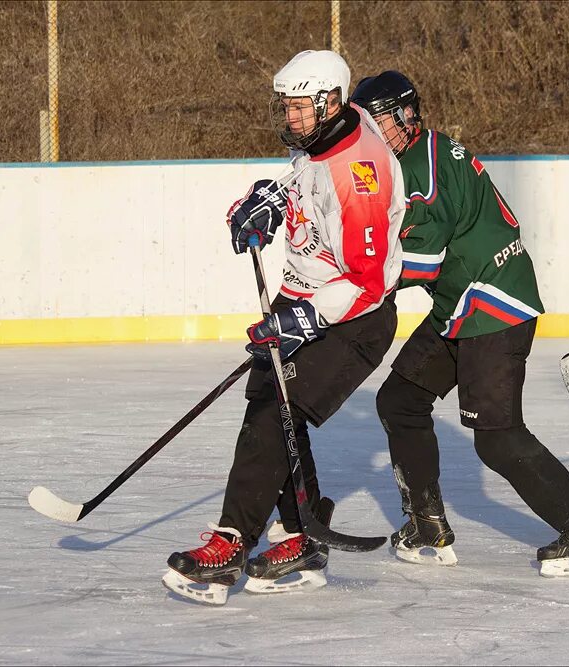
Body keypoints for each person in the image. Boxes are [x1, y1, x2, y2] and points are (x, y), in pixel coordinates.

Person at [351, 71, 569, 578]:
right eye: (364, 122)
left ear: (408, 117)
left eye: (379, 120)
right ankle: (427, 525)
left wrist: (355, 284)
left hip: (490, 303)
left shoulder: (419, 165)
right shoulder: (417, 155)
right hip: (461, 303)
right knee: (401, 400)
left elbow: (423, 261)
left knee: (494, 436)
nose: (372, 130)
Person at [162, 50, 405, 605]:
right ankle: (301, 536)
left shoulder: (360, 175)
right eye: (288, 106)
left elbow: (366, 282)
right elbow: (304, 178)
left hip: (353, 321)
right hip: (304, 298)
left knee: (275, 414)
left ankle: (230, 546)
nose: (291, 117)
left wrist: (307, 317)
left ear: (331, 102)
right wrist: (270, 199)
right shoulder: (326, 133)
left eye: (300, 107)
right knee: (270, 403)